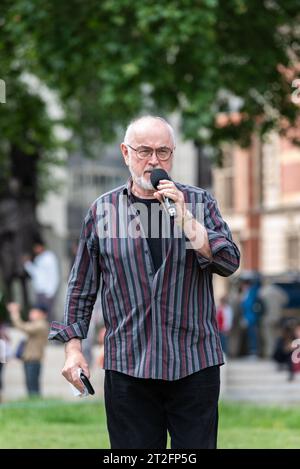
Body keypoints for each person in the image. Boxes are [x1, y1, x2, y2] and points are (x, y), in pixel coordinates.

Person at [49, 116, 240, 449]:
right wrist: (74, 348)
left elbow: (228, 261)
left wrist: (186, 219)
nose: (154, 161)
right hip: (128, 366)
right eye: (144, 151)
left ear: (173, 155)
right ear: (125, 153)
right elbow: (81, 287)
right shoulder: (102, 211)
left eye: (163, 152)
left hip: (193, 363)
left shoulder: (199, 202)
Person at [7, 302, 49, 396]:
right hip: (29, 360)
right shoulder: (35, 324)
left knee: (33, 388)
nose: (31, 314)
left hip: (34, 360)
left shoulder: (41, 325)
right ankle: (34, 404)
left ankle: (36, 405)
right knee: (30, 386)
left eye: (34, 312)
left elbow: (22, 326)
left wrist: (15, 313)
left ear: (42, 314)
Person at [23, 235, 60, 322]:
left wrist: (51, 291)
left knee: (49, 316)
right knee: (40, 317)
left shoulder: (49, 257)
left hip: (47, 292)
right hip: (39, 292)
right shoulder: (38, 258)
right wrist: (27, 264)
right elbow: (36, 274)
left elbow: (54, 275)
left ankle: (52, 334)